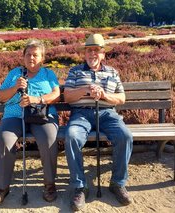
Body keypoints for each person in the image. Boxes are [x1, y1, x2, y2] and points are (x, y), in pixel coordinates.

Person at [63, 34, 133, 211]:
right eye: (89, 50)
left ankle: (118, 183)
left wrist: (104, 95)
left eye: (96, 50)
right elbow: (68, 97)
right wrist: (86, 89)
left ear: (103, 54)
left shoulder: (112, 72)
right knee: (71, 137)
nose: (92, 53)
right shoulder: (75, 71)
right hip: (81, 114)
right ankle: (80, 186)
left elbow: (122, 98)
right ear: (84, 53)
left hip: (107, 113)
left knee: (125, 136)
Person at [0, 40, 60, 205]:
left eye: (35, 54)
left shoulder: (49, 74)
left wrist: (37, 99)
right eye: (28, 54)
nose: (31, 58)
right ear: (23, 57)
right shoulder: (15, 73)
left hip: (41, 115)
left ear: (42, 58)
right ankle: (1, 188)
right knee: (5, 139)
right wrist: (15, 87)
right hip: (15, 115)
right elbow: (1, 97)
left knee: (49, 139)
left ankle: (49, 185)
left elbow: (56, 94)